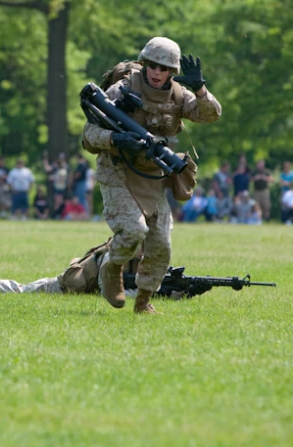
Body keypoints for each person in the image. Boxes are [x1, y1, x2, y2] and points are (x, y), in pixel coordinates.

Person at [82, 37, 221, 313]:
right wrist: (116, 139)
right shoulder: (122, 90)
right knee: (134, 230)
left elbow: (211, 115)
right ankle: (111, 267)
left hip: (152, 174)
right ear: (144, 64)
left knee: (161, 245)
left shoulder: (179, 95)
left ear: (173, 71)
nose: (157, 73)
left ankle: (143, 301)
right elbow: (88, 135)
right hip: (118, 170)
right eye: (153, 66)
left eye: (165, 68)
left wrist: (201, 89)